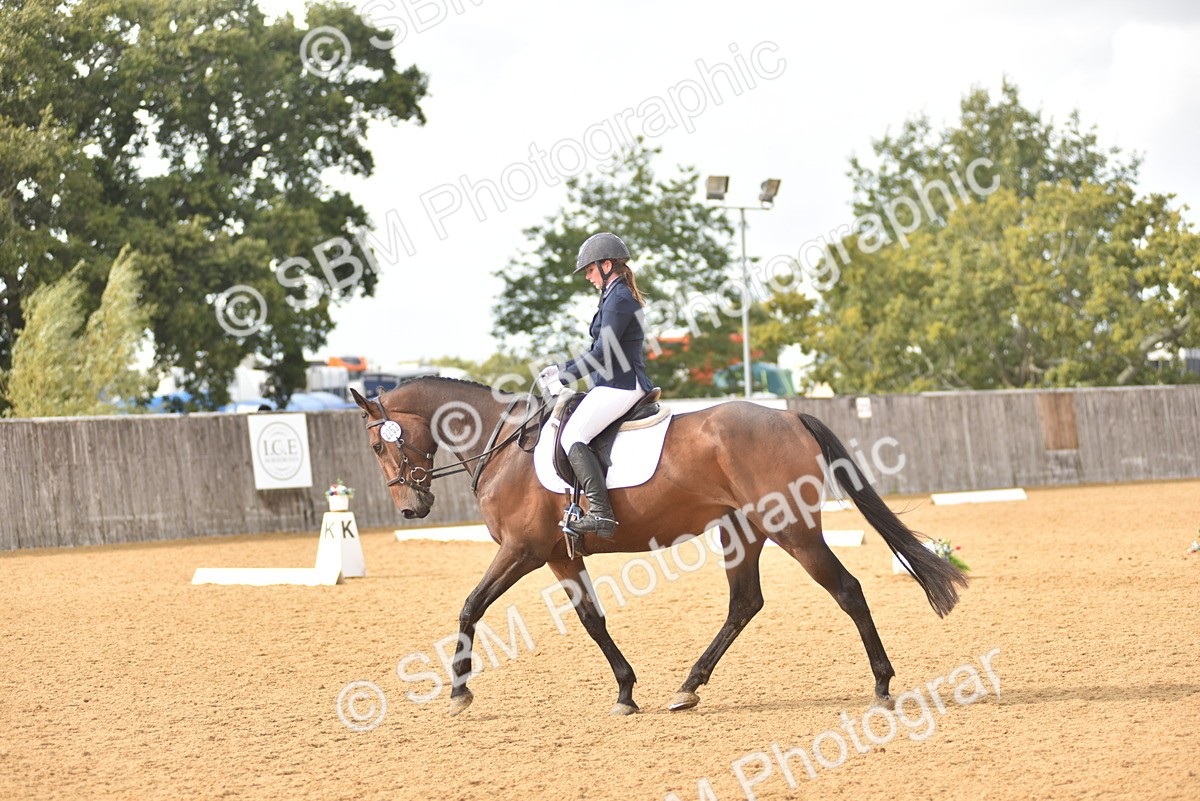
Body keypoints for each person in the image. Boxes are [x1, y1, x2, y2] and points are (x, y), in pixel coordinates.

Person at [539, 232, 652, 538]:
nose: (588, 277)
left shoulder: (619, 299)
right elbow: (595, 352)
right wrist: (560, 369)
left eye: (589, 270)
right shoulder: (612, 296)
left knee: (573, 434)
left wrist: (564, 377)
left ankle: (601, 513)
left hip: (622, 385)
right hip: (610, 384)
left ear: (606, 265)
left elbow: (604, 353)